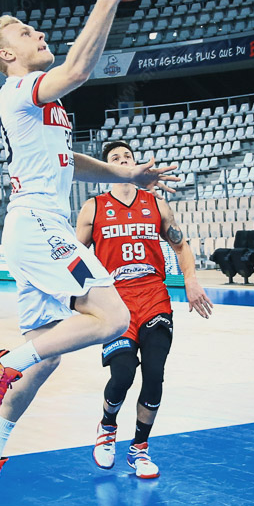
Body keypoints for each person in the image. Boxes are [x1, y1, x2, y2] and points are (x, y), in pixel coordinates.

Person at [0, 0, 180, 506]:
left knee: (47, 358)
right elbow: (80, 70)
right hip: (38, 224)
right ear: (8, 55)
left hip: (35, 225)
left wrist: (125, 174)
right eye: (26, 32)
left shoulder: (44, 108)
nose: (38, 33)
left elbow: (68, 160)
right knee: (113, 318)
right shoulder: (18, 90)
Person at [75, 140, 214, 480]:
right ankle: (107, 426)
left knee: (154, 373)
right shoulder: (93, 208)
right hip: (115, 303)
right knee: (123, 374)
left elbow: (181, 245)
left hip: (154, 297)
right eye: (115, 158)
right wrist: (79, 297)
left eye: (128, 156)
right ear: (107, 169)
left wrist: (191, 281)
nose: (123, 161)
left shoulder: (156, 204)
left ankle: (139, 448)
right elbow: (76, 258)